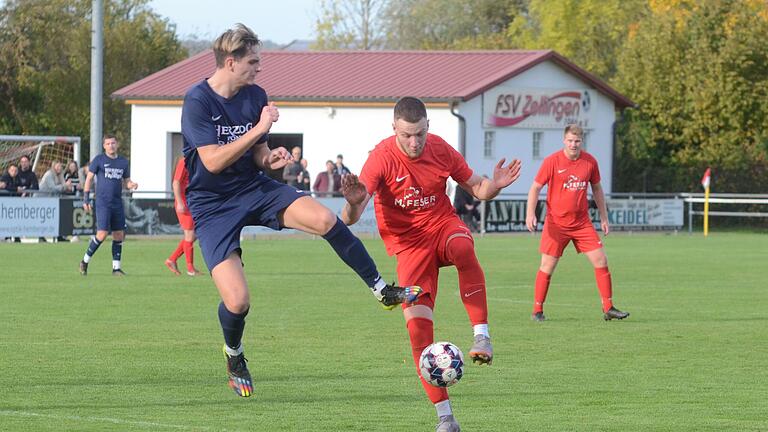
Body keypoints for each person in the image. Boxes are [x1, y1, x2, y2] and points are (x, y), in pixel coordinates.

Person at [180, 23, 420, 398]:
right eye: (253, 61)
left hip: (253, 188)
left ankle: (381, 289)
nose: (259, 68)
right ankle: (234, 354)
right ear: (230, 62)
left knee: (325, 218)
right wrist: (259, 127)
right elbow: (211, 161)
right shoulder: (197, 100)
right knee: (238, 301)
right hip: (213, 206)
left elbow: (257, 151)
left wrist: (269, 158)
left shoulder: (255, 93)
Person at [341, 97, 522, 432]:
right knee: (417, 333)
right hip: (409, 249)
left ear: (428, 127)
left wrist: (493, 186)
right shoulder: (380, 158)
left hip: (442, 228)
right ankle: (446, 418)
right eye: (408, 135)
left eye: (420, 134)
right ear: (394, 127)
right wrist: (352, 204)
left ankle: (481, 336)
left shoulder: (440, 148)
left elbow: (478, 187)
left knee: (464, 248)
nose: (414, 142)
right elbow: (349, 217)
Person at [525, 124, 629, 322]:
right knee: (547, 266)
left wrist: (604, 218)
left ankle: (608, 308)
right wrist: (530, 213)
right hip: (556, 223)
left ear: (582, 141)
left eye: (577, 141)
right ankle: (537, 310)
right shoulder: (552, 161)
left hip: (582, 223)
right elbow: (535, 188)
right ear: (564, 140)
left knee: (601, 260)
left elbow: (597, 190)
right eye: (570, 141)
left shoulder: (590, 162)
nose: (573, 144)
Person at [79, 135, 139, 276]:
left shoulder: (123, 162)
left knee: (119, 234)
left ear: (117, 144)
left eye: (113, 143)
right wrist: (86, 199)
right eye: (108, 143)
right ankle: (85, 261)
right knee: (102, 234)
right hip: (103, 202)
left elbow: (127, 181)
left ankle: (116, 268)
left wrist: (132, 185)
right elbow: (89, 179)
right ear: (104, 146)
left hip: (117, 203)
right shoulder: (99, 160)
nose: (111, 145)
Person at [165, 156, 203, 276]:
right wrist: (180, 202)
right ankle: (190, 268)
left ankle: (172, 259)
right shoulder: (184, 161)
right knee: (190, 235)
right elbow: (176, 182)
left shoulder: (197, 161)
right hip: (184, 202)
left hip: (193, 201)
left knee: (194, 235)